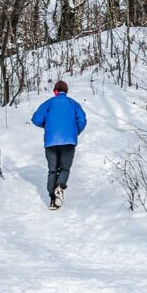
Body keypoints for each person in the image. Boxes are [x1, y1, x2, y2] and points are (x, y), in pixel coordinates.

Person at [32, 80, 87, 209]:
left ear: (55, 91)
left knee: (52, 170)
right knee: (64, 168)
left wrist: (47, 126)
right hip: (68, 141)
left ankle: (53, 200)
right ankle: (60, 187)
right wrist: (75, 132)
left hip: (51, 142)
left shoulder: (48, 103)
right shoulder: (73, 104)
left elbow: (36, 119)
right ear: (66, 91)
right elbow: (82, 120)